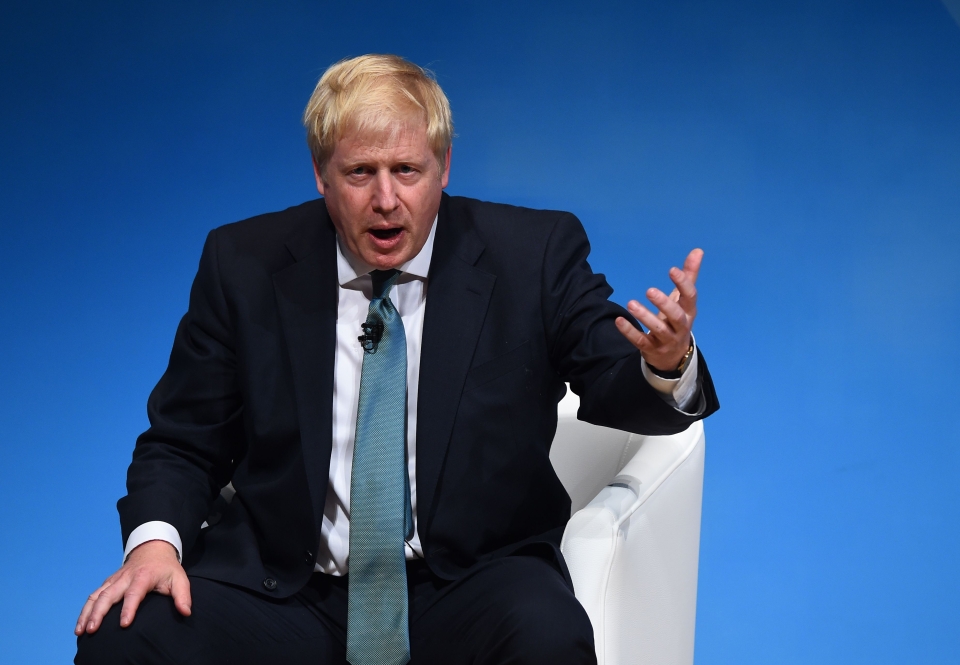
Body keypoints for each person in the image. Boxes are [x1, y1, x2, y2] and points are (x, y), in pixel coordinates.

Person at [75, 54, 719, 664]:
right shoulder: (243, 263)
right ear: (320, 172)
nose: (386, 200)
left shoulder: (533, 253)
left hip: (470, 582)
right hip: (286, 590)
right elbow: (183, 440)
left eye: (407, 171)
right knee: (125, 636)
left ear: (443, 165)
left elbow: (613, 377)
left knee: (545, 637)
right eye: (360, 173)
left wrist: (665, 363)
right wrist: (154, 547)